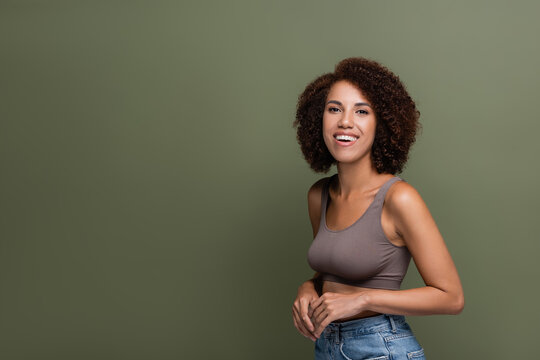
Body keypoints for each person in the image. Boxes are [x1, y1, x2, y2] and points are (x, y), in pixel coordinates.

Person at [291, 57, 464, 360]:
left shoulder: (399, 198)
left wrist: (362, 300)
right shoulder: (319, 196)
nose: (345, 121)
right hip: (327, 345)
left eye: (361, 111)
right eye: (334, 109)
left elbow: (451, 297)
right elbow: (333, 268)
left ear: (381, 123)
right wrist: (309, 286)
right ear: (318, 118)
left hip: (381, 347)